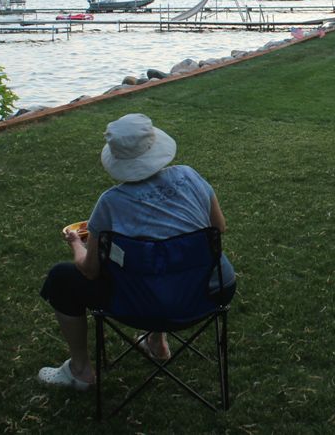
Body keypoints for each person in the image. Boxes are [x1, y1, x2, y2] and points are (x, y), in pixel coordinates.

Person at [38, 113, 236, 390]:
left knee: (61, 277)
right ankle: (156, 341)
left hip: (143, 305)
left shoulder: (110, 203)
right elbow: (219, 227)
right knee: (163, 263)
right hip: (211, 290)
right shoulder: (190, 176)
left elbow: (90, 270)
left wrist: (76, 244)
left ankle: (80, 370)